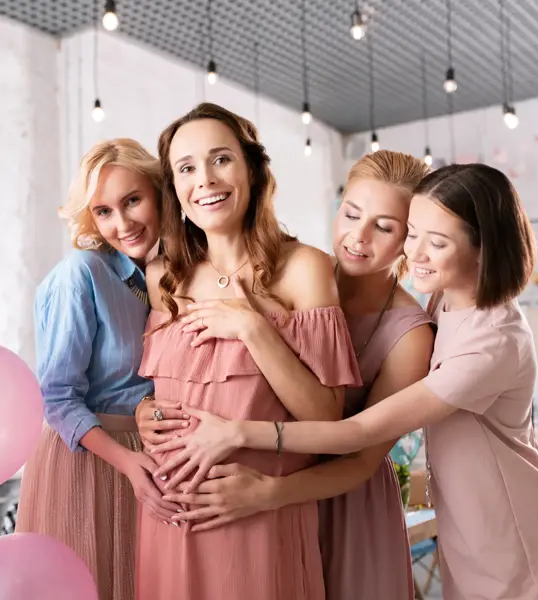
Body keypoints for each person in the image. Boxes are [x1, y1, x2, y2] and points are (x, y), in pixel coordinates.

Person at [153, 163, 538, 600]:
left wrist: (239, 436)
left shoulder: (482, 340)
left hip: (513, 533)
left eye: (430, 241)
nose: (415, 253)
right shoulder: (441, 297)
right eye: (414, 234)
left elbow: (358, 434)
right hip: (462, 522)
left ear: (483, 250)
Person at [138, 150, 434, 600]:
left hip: (341, 504)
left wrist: (268, 493)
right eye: (351, 214)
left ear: (410, 239)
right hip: (263, 503)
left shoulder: (409, 336)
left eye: (385, 227)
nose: (358, 236)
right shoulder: (294, 277)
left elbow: (359, 457)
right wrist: (147, 408)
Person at [135, 102, 362, 600]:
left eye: (221, 160)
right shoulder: (162, 279)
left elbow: (326, 420)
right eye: (186, 168)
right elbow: (164, 392)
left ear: (253, 169)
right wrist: (141, 411)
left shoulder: (305, 269)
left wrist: (254, 330)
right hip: (168, 519)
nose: (205, 181)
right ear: (174, 188)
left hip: (257, 518)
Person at [14, 138, 180, 600]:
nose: (122, 223)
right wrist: (127, 462)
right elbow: (58, 397)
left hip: (149, 458)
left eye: (132, 201)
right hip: (90, 459)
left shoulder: (173, 273)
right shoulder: (82, 274)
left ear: (159, 192)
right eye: (104, 211)